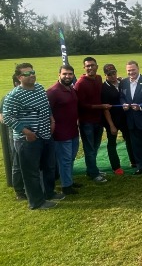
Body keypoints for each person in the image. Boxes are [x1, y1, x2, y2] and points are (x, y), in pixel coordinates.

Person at [2, 63, 63, 209]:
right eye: (27, 74)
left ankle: (49, 192)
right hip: (28, 140)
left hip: (46, 135)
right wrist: (26, 132)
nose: (32, 75)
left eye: (33, 72)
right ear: (19, 77)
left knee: (49, 166)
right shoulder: (14, 95)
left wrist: (52, 119)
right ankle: (36, 202)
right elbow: (8, 117)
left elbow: (46, 106)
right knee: (31, 172)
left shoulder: (40, 88)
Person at [74, 57, 111, 183]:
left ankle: (92, 169)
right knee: (89, 149)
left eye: (92, 65)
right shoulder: (80, 84)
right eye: (88, 66)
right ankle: (94, 174)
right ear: (84, 68)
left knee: (95, 147)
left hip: (98, 120)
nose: (90, 68)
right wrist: (101, 107)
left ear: (97, 66)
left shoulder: (99, 78)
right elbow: (81, 105)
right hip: (86, 122)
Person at [46, 65, 80, 195]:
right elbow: (47, 112)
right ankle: (66, 186)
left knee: (70, 158)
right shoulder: (53, 92)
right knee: (64, 160)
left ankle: (68, 180)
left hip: (73, 130)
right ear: (59, 74)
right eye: (65, 74)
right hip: (61, 133)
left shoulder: (71, 89)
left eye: (70, 74)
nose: (68, 76)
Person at [101, 63, 135, 174]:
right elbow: (105, 109)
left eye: (114, 72)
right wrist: (111, 125)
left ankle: (133, 161)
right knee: (112, 143)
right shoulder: (104, 88)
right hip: (112, 120)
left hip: (125, 118)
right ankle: (116, 167)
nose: (112, 76)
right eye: (109, 74)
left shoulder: (122, 82)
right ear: (105, 75)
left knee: (129, 140)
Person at [0, 74, 25, 200]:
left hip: (27, 135)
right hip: (15, 135)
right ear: (17, 82)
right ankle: (19, 191)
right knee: (17, 163)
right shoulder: (8, 98)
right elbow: (3, 119)